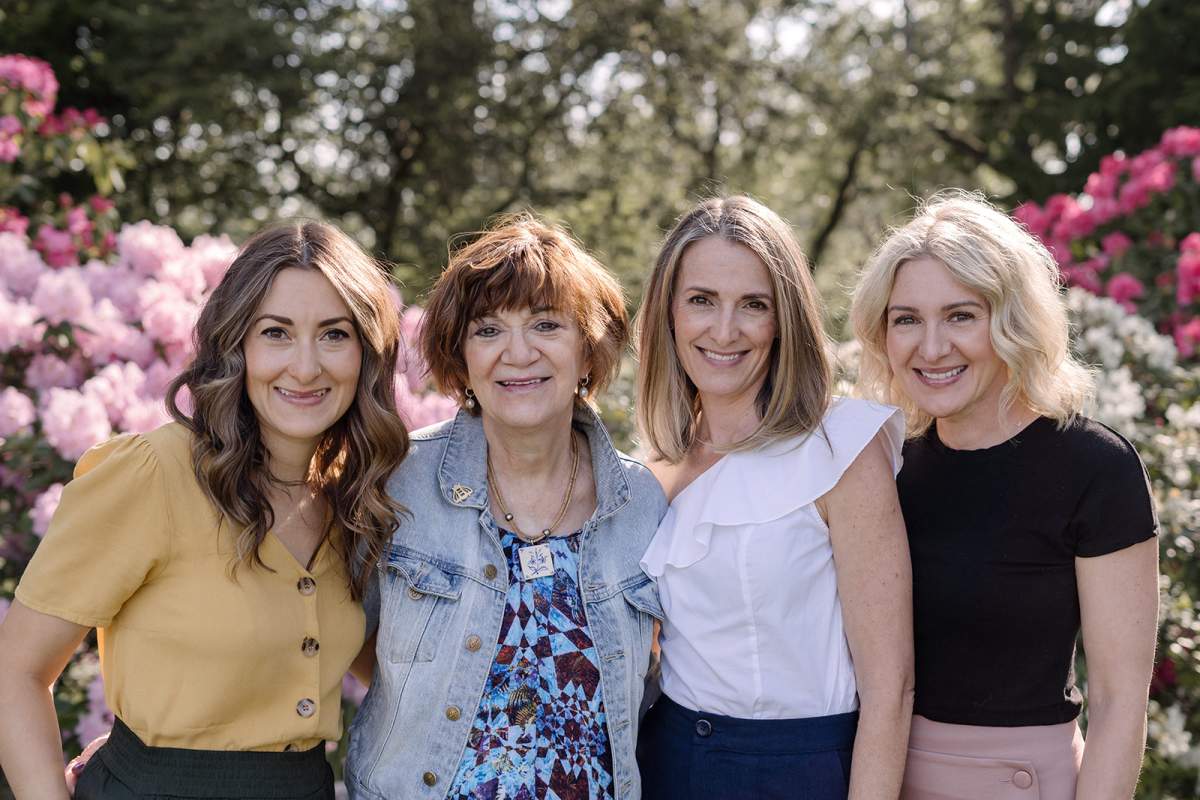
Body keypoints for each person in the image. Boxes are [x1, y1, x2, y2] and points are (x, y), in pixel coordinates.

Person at [0, 221, 410, 799]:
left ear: (366, 353)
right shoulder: (152, 474)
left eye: (334, 335)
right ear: (236, 343)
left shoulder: (354, 497)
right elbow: (15, 672)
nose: (306, 365)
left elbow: (397, 672)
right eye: (276, 332)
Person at [343, 214, 667, 800]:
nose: (518, 353)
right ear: (461, 357)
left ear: (589, 350)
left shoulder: (641, 503)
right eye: (488, 330)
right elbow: (353, 645)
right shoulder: (399, 482)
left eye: (546, 325)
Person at [849, 191, 1159, 799]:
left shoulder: (1096, 468)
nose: (931, 347)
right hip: (876, 778)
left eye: (961, 315)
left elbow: (1121, 703)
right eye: (906, 318)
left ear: (1012, 321)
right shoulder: (883, 468)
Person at [634, 196, 914, 800]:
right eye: (702, 300)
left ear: (783, 319)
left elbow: (891, 691)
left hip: (800, 770)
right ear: (669, 313)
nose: (724, 330)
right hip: (670, 765)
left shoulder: (841, 448)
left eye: (753, 305)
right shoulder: (653, 471)